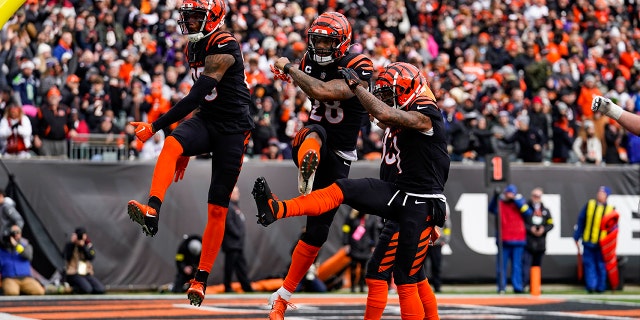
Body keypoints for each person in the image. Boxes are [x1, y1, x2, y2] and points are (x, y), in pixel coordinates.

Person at [253, 62, 449, 320]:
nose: (387, 101)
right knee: (379, 265)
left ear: (408, 90)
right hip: (400, 196)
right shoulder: (408, 112)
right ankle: (279, 209)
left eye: (391, 95)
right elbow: (383, 117)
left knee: (407, 278)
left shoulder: (427, 112)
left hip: (420, 202)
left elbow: (388, 116)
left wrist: (357, 87)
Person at [125, 0, 254, 307]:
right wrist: (184, 145)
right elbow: (202, 101)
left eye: (197, 17)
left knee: (218, 208)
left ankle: (201, 279)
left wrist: (155, 125)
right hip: (208, 119)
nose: (191, 22)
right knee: (172, 145)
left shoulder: (225, 43)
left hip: (233, 130)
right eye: (188, 17)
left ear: (214, 18)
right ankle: (152, 210)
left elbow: (197, 93)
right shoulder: (193, 47)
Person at [265, 11, 373, 319]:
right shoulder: (309, 61)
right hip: (310, 139)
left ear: (342, 44)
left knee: (318, 231)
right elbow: (303, 81)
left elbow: (323, 91)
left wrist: (288, 68)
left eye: (328, 41)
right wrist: (287, 70)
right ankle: (306, 166)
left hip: (341, 154)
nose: (321, 47)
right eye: (318, 40)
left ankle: (283, 295)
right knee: (315, 131)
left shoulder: (358, 65)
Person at [488, 184, 532, 294]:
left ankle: (518, 287)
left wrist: (515, 200)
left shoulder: (520, 201)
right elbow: (491, 209)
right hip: (504, 240)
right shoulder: (500, 203)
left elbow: (528, 213)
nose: (509, 195)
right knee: (501, 266)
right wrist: (495, 197)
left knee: (517, 266)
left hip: (518, 239)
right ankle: (501, 287)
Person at [573, 186, 614, 293]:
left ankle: (600, 287)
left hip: (602, 243)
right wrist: (577, 235)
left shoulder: (610, 210)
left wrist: (610, 243)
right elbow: (581, 220)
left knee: (601, 265)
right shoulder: (590, 205)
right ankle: (591, 286)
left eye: (602, 193)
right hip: (588, 240)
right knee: (589, 264)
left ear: (607, 196)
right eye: (599, 192)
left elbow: (613, 229)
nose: (599, 195)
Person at [221, 186, 253, 293]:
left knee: (241, 266)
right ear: (230, 194)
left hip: (237, 244)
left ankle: (246, 287)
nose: (238, 194)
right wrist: (238, 233)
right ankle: (227, 287)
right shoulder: (229, 207)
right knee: (229, 267)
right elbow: (228, 223)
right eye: (236, 192)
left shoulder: (235, 207)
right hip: (232, 244)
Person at [0, 224, 45, 295]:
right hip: (10, 278)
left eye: (18, 232)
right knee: (12, 292)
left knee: (39, 291)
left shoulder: (26, 245)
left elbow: (28, 255)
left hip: (26, 278)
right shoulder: (2, 249)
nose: (16, 235)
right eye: (14, 232)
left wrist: (16, 245)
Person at [523, 188, 553, 290]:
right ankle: (523, 285)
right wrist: (529, 228)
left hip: (540, 243)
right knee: (526, 265)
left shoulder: (545, 210)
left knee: (537, 266)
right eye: (535, 196)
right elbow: (521, 223)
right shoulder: (526, 208)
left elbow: (551, 224)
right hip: (528, 242)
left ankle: (535, 286)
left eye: (538, 196)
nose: (536, 198)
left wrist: (543, 229)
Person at [342, 209, 377, 293]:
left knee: (364, 268)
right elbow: (345, 230)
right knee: (353, 266)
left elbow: (374, 232)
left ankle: (362, 286)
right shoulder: (351, 216)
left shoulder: (371, 218)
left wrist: (374, 245)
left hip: (366, 246)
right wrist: (346, 243)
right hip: (354, 245)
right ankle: (353, 287)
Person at [63, 227, 105, 294]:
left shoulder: (87, 245)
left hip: (85, 273)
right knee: (87, 289)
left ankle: (82, 286)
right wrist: (72, 243)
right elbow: (66, 257)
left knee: (100, 289)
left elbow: (91, 257)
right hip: (73, 273)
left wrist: (83, 246)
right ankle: (72, 289)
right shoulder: (70, 245)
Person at [424, 202, 451, 293]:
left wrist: (445, 239)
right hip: (425, 242)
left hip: (437, 242)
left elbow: (447, 225)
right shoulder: (423, 202)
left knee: (436, 265)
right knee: (421, 266)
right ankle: (422, 286)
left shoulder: (442, 204)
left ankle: (437, 286)